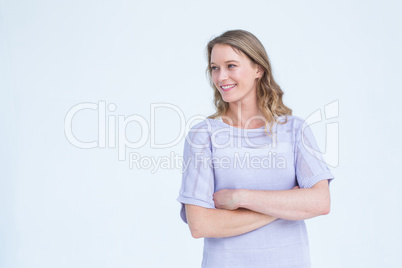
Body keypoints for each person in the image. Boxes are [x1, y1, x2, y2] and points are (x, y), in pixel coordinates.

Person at [176, 29, 334, 268]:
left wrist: (242, 197)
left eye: (231, 65)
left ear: (258, 69)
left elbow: (320, 203)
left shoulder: (294, 130)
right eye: (215, 68)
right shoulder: (204, 135)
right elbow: (200, 225)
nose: (221, 77)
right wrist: (287, 204)